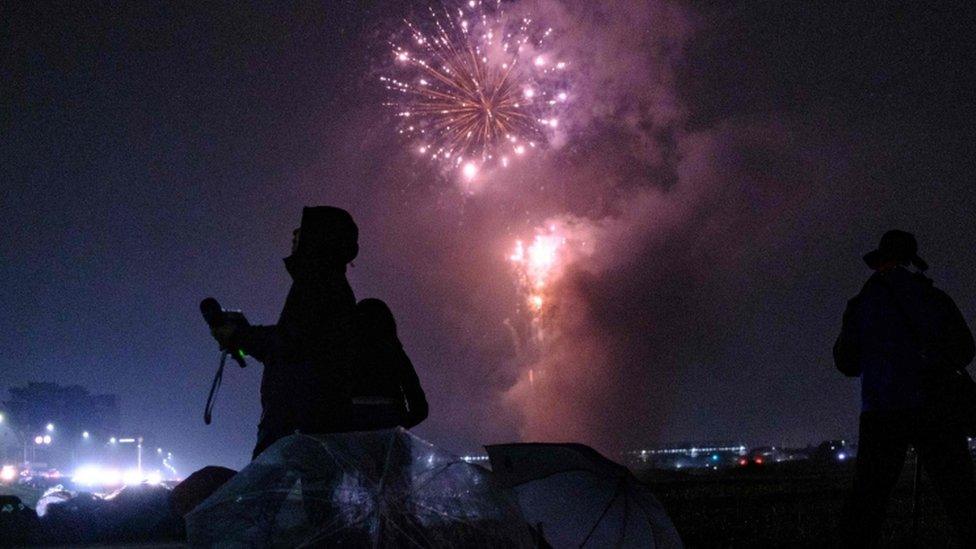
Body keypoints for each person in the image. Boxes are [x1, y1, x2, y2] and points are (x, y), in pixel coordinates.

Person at [834, 230, 976, 545]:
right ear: (912, 262)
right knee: (962, 497)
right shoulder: (934, 298)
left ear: (880, 262)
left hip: (881, 411)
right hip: (934, 407)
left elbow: (846, 361)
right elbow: (965, 349)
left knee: (867, 503)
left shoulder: (861, 303)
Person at [211, 206, 360, 459]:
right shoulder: (326, 284)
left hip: (297, 422)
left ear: (319, 237)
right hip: (304, 420)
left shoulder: (319, 285)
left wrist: (239, 336)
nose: (294, 234)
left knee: (269, 491)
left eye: (302, 229)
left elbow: (290, 344)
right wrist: (246, 338)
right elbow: (292, 343)